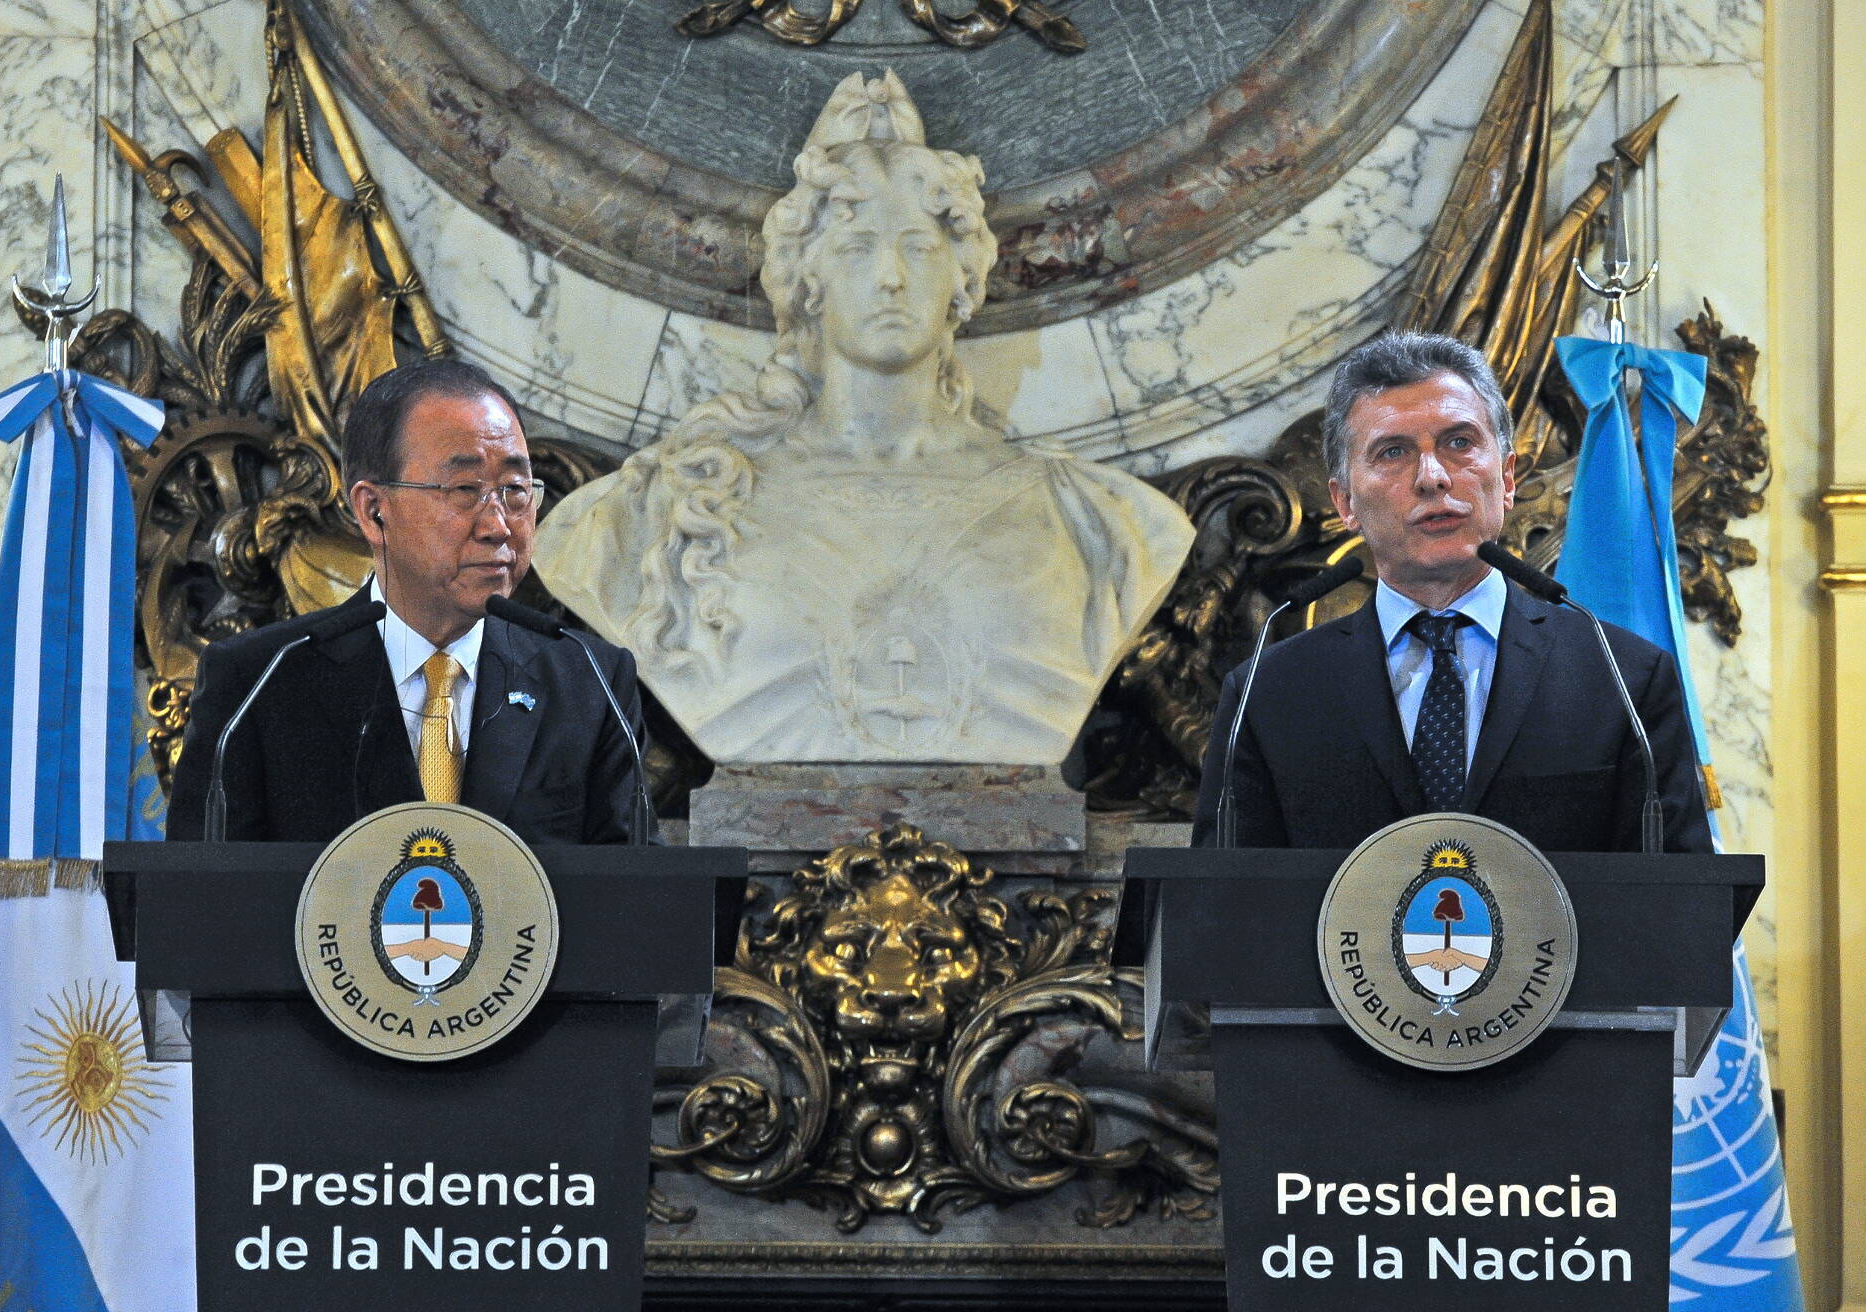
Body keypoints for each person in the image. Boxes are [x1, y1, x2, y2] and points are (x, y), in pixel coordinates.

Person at [529, 72, 1192, 765]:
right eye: (855, 248)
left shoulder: (1100, 522)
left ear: (963, 276)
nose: (889, 278)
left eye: (916, 246)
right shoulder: (664, 512)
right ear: (806, 281)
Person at [1190, 330, 1711, 854]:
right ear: (1345, 502)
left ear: (1506, 478)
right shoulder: (1269, 691)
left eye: (1459, 443)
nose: (1432, 477)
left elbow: (1680, 904)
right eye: (1393, 452)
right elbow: (1223, 908)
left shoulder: (1623, 676)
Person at [167, 358, 650, 844]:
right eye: (465, 490)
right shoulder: (262, 683)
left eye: (515, 491)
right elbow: (199, 900)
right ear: (374, 511)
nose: (499, 526)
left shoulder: (590, 683)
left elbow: (641, 895)